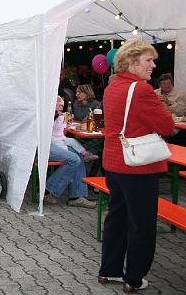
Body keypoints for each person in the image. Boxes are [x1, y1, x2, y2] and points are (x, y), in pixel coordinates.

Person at [98, 39, 174, 293]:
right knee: (141, 224)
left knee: (117, 217)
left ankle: (109, 269)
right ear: (132, 62)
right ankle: (134, 277)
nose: (153, 65)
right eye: (148, 60)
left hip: (115, 163)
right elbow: (166, 126)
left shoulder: (112, 87)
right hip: (138, 167)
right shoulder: (141, 90)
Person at [43, 97, 97, 209]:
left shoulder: (58, 112)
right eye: (59, 104)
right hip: (44, 144)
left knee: (77, 155)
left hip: (56, 141)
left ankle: (77, 196)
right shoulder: (46, 110)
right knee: (74, 159)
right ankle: (48, 191)